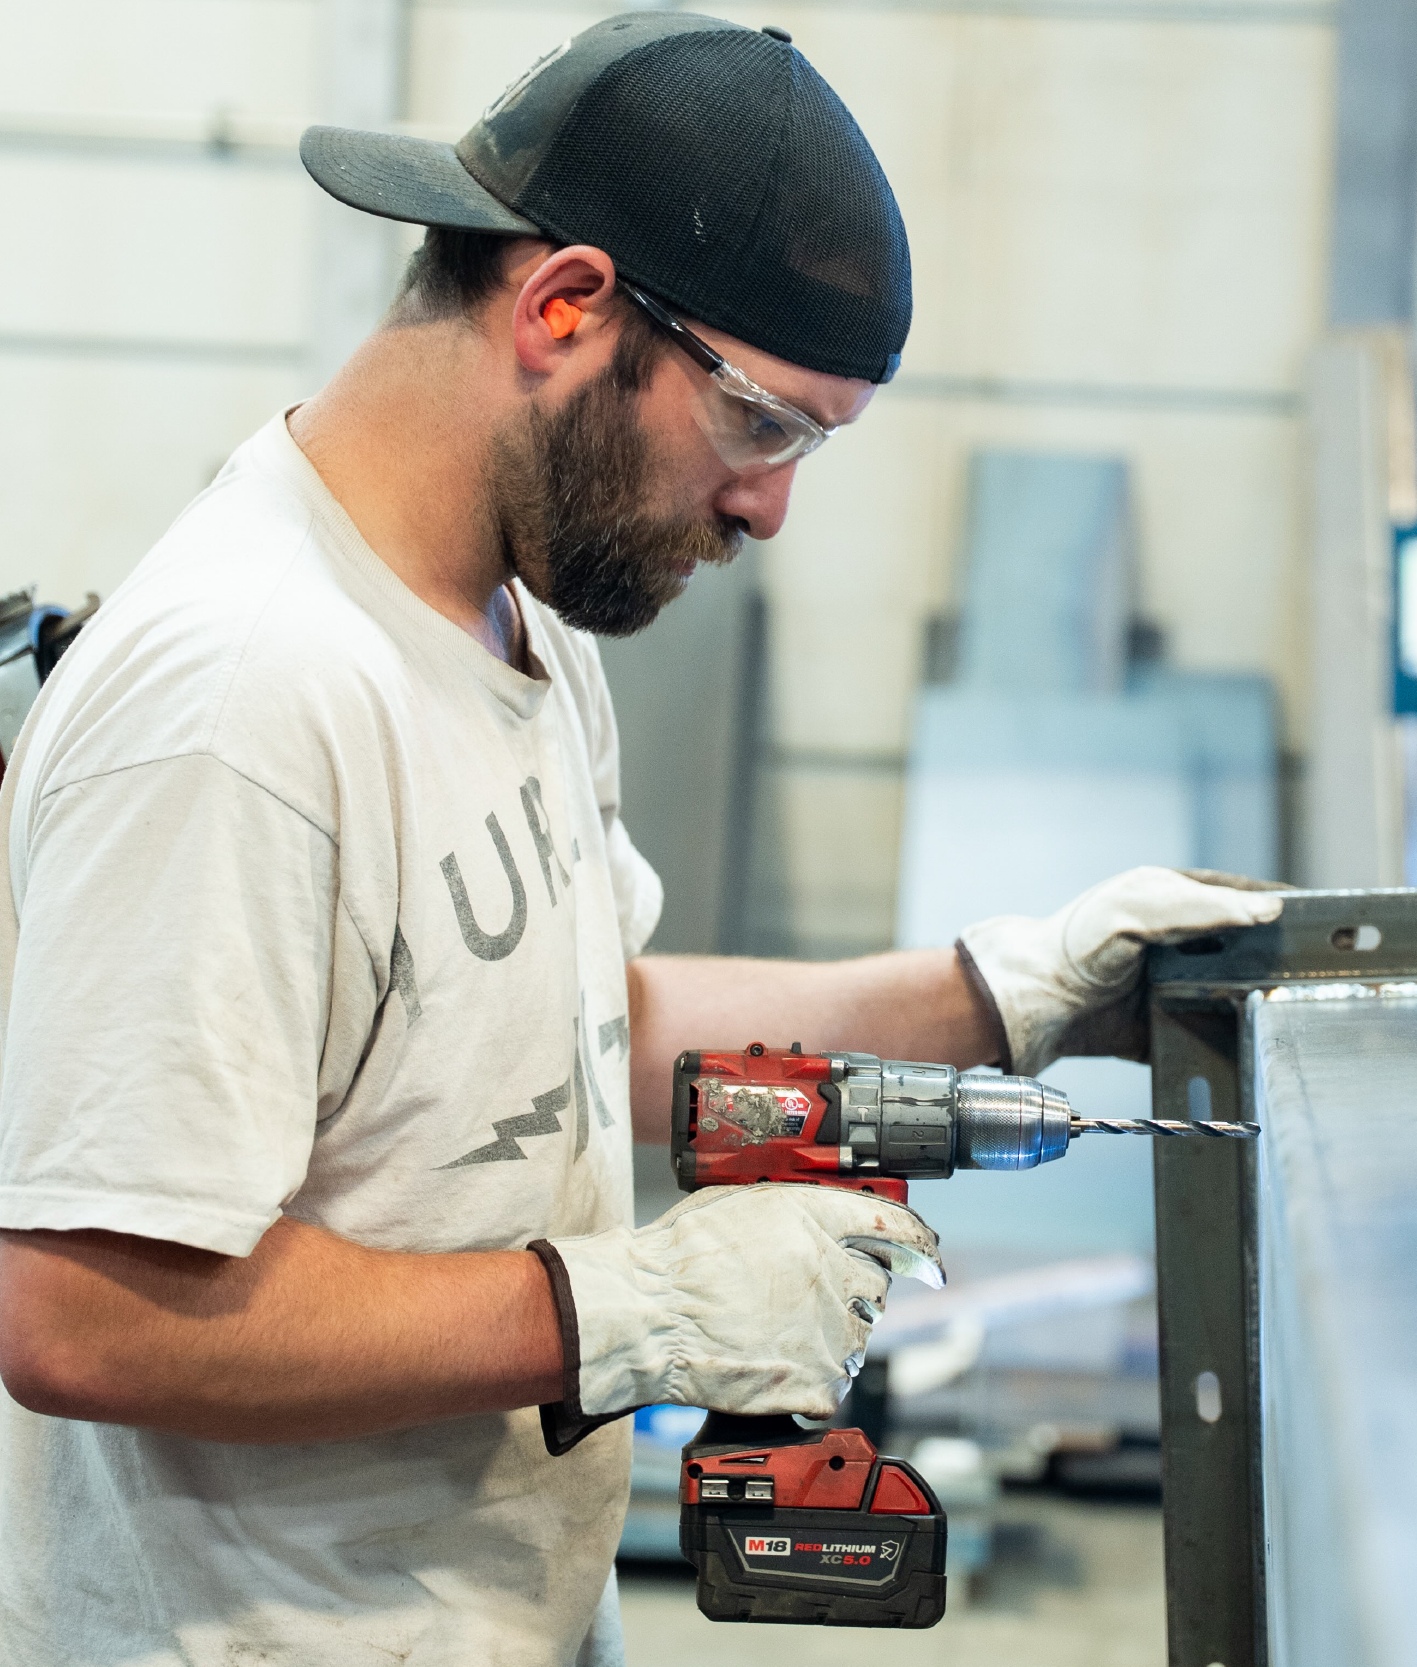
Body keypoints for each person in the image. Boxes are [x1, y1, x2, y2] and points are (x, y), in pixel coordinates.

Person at [0, 13, 1282, 1666]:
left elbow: (583, 1020)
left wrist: (1013, 994)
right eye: (765, 425)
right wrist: (624, 1308)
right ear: (563, 308)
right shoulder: (245, 697)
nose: (769, 508)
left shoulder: (517, 630)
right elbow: (84, 1313)